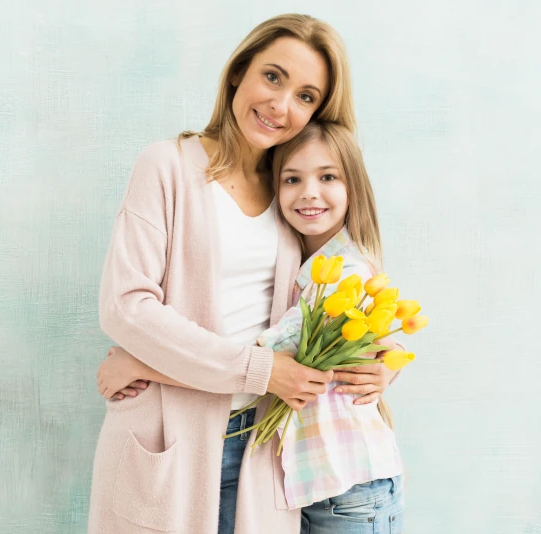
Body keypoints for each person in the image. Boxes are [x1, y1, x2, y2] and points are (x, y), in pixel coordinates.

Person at [88, 14, 364, 534]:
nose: (281, 106)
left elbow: (347, 289)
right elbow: (128, 307)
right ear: (239, 72)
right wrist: (259, 372)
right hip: (167, 439)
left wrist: (382, 366)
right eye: (274, 77)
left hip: (262, 446)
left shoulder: (292, 190)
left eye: (306, 96)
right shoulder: (166, 166)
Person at [99, 121, 406, 533]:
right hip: (315, 485)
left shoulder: (341, 276)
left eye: (328, 177)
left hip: (350, 488)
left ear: (355, 188)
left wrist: (140, 365)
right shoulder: (306, 268)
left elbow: (262, 362)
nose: (309, 192)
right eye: (292, 179)